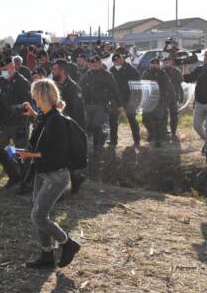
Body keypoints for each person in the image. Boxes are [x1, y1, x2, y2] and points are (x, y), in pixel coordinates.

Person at [19, 79, 81, 269]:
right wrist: (33, 114)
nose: (33, 98)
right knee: (38, 212)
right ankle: (47, 255)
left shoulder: (56, 120)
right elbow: (44, 126)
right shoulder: (47, 115)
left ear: (43, 96)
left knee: (38, 216)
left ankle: (68, 244)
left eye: (35, 95)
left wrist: (28, 154)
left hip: (56, 176)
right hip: (42, 172)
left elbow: (56, 153)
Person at [0, 57, 32, 187]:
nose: (3, 72)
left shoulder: (22, 82)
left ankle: (25, 182)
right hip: (4, 123)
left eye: (5, 69)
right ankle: (14, 175)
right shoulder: (1, 82)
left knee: (22, 153)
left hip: (19, 123)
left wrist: (15, 109)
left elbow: (28, 104)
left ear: (13, 67)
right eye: (1, 70)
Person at [51, 59, 87, 194]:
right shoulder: (53, 86)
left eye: (54, 69)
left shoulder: (74, 88)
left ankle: (76, 179)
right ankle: (73, 179)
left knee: (68, 158)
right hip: (56, 126)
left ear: (62, 71)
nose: (52, 72)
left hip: (69, 127)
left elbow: (77, 113)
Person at [79, 56, 122, 152]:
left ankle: (96, 149)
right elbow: (80, 87)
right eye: (92, 64)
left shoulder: (107, 75)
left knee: (97, 125)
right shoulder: (87, 74)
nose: (93, 65)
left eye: (96, 64)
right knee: (89, 126)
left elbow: (115, 90)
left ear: (100, 64)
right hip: (88, 105)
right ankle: (102, 136)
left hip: (102, 105)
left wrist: (119, 105)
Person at [141, 58, 176, 148]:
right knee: (145, 119)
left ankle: (158, 140)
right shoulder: (146, 73)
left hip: (159, 101)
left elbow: (169, 87)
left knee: (158, 121)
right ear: (150, 65)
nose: (154, 65)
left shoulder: (162, 74)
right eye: (152, 64)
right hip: (148, 100)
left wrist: (172, 98)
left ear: (158, 65)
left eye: (156, 64)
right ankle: (152, 133)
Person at [108, 53, 141, 147]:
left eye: (118, 59)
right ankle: (113, 140)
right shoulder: (112, 70)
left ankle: (136, 141)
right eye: (115, 61)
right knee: (113, 120)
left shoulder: (131, 70)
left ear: (122, 59)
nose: (117, 61)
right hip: (116, 100)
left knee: (132, 120)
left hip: (129, 99)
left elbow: (137, 86)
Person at [162, 57, 184, 137]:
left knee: (174, 115)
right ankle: (164, 131)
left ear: (171, 62)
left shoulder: (176, 72)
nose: (166, 64)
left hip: (174, 96)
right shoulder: (161, 72)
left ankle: (173, 131)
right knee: (163, 115)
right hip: (164, 97)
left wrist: (181, 97)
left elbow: (180, 85)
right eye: (164, 63)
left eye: (167, 62)